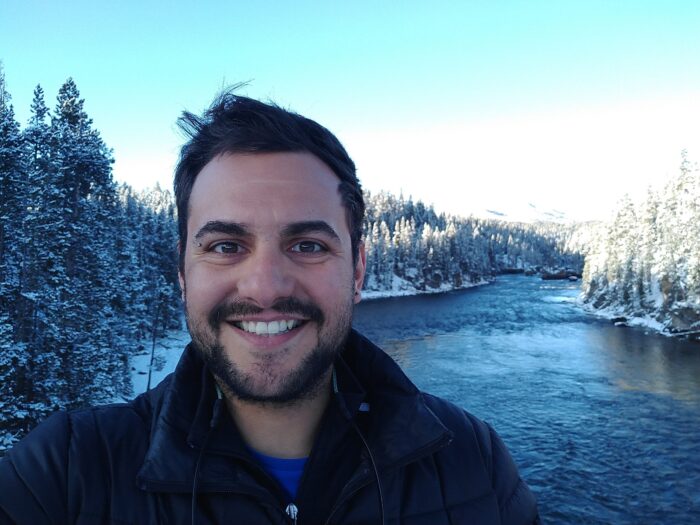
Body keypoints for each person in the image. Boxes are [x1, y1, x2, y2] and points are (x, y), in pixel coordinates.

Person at [0, 91, 540, 524]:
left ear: (357, 270)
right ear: (183, 272)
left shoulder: (473, 463)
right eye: (225, 246)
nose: (264, 287)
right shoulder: (64, 473)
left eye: (307, 245)